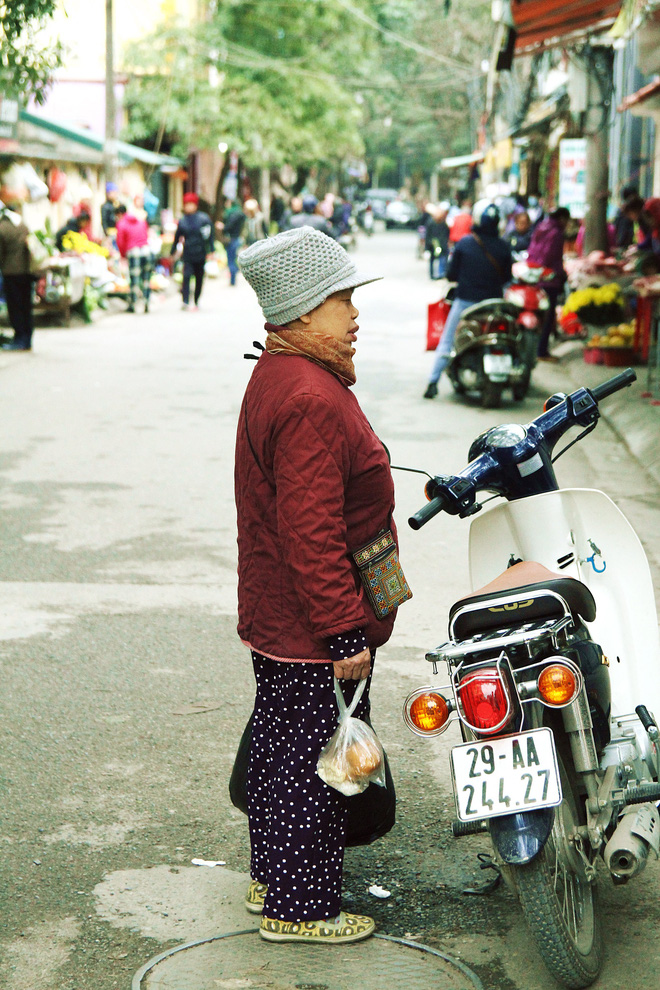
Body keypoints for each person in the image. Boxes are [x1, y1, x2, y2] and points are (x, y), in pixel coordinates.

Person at [235, 225, 398, 945]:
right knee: (310, 765)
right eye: (342, 299)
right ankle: (299, 910)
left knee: (279, 749)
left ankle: (273, 877)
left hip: (281, 615)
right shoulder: (306, 394)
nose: (355, 314)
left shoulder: (287, 371)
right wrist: (344, 631)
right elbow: (311, 532)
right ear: (303, 308)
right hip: (309, 624)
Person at [423, 203, 512, 398]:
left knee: (447, 342)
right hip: (494, 305)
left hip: (466, 304)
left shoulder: (464, 243)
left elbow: (451, 274)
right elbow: (507, 278)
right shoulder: (504, 246)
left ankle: (432, 383)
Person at [526, 206, 570, 361]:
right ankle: (542, 352)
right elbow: (550, 257)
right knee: (548, 317)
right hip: (549, 279)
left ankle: (536, 350)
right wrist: (560, 273)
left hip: (534, 276)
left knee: (540, 316)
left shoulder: (540, 227)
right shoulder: (556, 233)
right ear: (562, 218)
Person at [0, 201, 34, 351]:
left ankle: (19, 339)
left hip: (11, 273)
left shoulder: (3, 228)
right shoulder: (23, 226)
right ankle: (27, 339)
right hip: (27, 272)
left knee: (15, 307)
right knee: (26, 306)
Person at [170, 193, 214, 308]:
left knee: (199, 278)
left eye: (191, 204)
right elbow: (177, 238)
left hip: (200, 253)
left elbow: (209, 236)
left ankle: (196, 299)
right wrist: (172, 252)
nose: (189, 207)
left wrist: (211, 250)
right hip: (188, 254)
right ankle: (185, 300)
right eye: (187, 204)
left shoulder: (204, 219)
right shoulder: (183, 221)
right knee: (186, 276)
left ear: (195, 205)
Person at [115, 203, 153, 314]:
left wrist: (123, 255)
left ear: (119, 214)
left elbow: (120, 241)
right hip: (146, 250)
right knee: (146, 279)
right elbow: (145, 235)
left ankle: (133, 304)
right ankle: (146, 303)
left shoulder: (121, 223)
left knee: (134, 279)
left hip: (134, 251)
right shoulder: (141, 221)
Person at [220, 198, 246, 286]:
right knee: (234, 259)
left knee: (231, 260)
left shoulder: (231, 214)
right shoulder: (240, 213)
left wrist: (222, 227)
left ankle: (232, 280)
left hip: (231, 239)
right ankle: (233, 278)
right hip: (237, 238)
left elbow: (228, 227)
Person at [425, 202, 450, 279]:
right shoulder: (442, 222)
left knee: (434, 259)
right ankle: (440, 273)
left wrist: (427, 246)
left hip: (435, 243)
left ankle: (435, 274)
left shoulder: (432, 222)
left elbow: (428, 234)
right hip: (439, 243)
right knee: (441, 258)